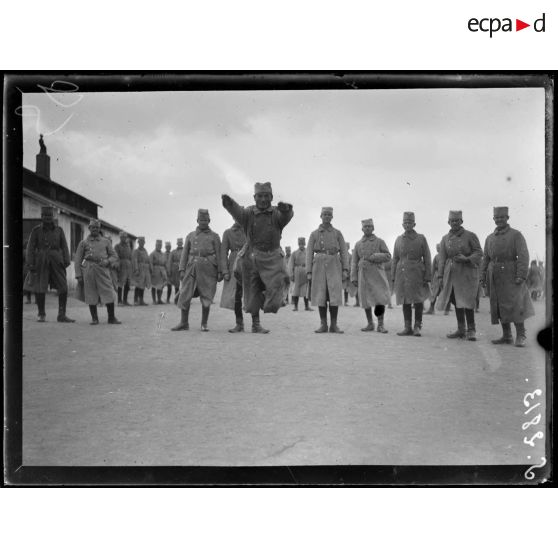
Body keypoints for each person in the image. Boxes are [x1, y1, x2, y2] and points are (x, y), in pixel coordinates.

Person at [221, 182, 293, 333]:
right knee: (252, 292)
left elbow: (285, 217)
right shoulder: (248, 214)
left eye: (266, 196)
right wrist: (229, 204)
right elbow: (237, 212)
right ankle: (255, 324)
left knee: (275, 293)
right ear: (254, 197)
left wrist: (286, 210)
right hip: (251, 258)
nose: (263, 199)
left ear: (271, 197)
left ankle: (270, 304)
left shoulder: (275, 213)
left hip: (273, 259)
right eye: (259, 196)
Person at [481, 207, 535, 347]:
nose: (499, 220)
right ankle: (507, 335)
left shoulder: (516, 235)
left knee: (515, 305)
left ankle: (521, 335)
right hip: (494, 275)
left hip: (511, 274)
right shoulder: (489, 238)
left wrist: (521, 275)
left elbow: (523, 256)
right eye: (496, 218)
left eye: (502, 217)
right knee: (499, 305)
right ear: (493, 219)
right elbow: (485, 259)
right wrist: (482, 277)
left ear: (507, 218)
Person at [172, 209, 223, 332]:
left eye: (206, 220)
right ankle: (184, 322)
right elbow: (184, 254)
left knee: (207, 295)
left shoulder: (214, 236)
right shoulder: (190, 235)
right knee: (185, 293)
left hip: (208, 269)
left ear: (209, 221)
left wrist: (220, 271)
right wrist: (182, 269)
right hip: (191, 267)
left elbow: (220, 254)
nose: (203, 222)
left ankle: (204, 324)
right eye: (201, 220)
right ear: (197, 220)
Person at [436, 210, 483, 341]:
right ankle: (461, 329)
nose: (454, 223)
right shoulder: (445, 239)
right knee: (456, 300)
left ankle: (472, 330)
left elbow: (479, 253)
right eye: (452, 221)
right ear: (448, 222)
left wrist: (467, 259)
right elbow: (442, 259)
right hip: (451, 275)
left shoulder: (470, 236)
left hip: (467, 273)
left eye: (457, 220)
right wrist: (440, 277)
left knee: (467, 300)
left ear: (461, 221)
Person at [25, 206, 75, 323]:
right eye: (45, 216)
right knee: (40, 287)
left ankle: (61, 315)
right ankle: (41, 314)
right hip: (41, 260)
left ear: (53, 217)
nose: (48, 218)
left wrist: (66, 261)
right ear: (41, 217)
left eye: (50, 216)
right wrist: (30, 263)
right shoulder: (36, 231)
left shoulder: (59, 230)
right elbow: (30, 248)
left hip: (57, 261)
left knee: (63, 287)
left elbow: (65, 246)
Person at [306, 207, 349, 333]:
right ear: (320, 216)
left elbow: (344, 252)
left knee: (334, 295)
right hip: (318, 266)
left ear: (332, 217)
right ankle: (323, 324)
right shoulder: (314, 234)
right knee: (321, 295)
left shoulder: (337, 233)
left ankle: (334, 325)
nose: (326, 216)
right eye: (324, 214)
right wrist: (308, 271)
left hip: (334, 265)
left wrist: (345, 269)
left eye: (329, 214)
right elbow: (309, 252)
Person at [391, 211, 431, 336]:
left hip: (417, 273)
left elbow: (427, 257)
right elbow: (395, 259)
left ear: (414, 224)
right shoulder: (398, 239)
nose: (407, 225)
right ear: (402, 224)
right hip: (402, 274)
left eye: (410, 222)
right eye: (405, 223)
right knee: (405, 300)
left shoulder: (421, 238)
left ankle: (417, 326)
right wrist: (393, 276)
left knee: (418, 300)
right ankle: (407, 326)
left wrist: (427, 275)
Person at [74, 219, 121, 325]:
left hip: (103, 270)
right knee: (91, 294)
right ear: (89, 228)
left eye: (97, 227)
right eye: (93, 227)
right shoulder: (83, 243)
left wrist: (107, 261)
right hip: (88, 271)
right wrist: (78, 275)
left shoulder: (106, 242)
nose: (95, 229)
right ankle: (94, 319)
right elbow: (78, 260)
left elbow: (114, 256)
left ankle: (111, 318)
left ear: (100, 229)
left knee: (108, 292)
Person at [351, 218, 391, 333]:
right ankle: (370, 324)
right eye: (365, 227)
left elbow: (388, 256)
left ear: (373, 228)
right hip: (363, 274)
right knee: (365, 299)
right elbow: (354, 262)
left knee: (379, 299)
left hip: (377, 274)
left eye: (369, 226)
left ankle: (380, 324)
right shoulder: (358, 244)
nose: (367, 228)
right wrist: (353, 277)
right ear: (362, 229)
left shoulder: (380, 241)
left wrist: (375, 257)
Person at [220, 220, 248, 331]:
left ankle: (256, 324)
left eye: (241, 216)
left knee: (253, 294)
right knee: (236, 296)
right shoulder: (227, 233)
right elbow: (223, 253)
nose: (239, 218)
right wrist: (225, 271)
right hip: (233, 265)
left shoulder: (249, 231)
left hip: (248, 263)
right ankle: (239, 324)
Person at [287, 237, 312, 312]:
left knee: (305, 291)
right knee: (296, 290)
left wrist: (310, 273)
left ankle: (307, 306)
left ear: (304, 244)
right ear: (298, 244)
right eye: (300, 244)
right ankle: (295, 306)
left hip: (305, 272)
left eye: (302, 244)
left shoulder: (308, 252)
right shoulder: (294, 253)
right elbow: (290, 264)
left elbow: (311, 263)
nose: (301, 245)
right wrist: (291, 274)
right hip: (297, 272)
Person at [114, 231, 132, 306]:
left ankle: (125, 300)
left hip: (128, 265)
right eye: (122, 237)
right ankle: (119, 301)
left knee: (127, 283)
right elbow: (115, 256)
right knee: (120, 283)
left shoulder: (128, 246)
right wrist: (118, 265)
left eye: (125, 237)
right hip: (121, 265)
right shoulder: (117, 246)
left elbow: (130, 256)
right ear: (120, 237)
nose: (124, 238)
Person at [132, 236, 152, 305]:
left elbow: (148, 260)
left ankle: (141, 300)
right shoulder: (136, 251)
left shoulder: (145, 251)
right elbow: (135, 260)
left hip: (145, 270)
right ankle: (135, 300)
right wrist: (136, 269)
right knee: (138, 285)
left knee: (143, 285)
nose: (142, 243)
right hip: (139, 269)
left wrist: (149, 268)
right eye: (140, 242)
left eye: (143, 242)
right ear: (138, 243)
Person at [150, 239, 168, 304]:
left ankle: (159, 299)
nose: (159, 246)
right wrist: (151, 271)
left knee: (161, 286)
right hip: (155, 270)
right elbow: (151, 263)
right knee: (154, 286)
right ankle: (154, 300)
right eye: (158, 245)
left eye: (160, 245)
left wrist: (166, 270)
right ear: (155, 245)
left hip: (162, 271)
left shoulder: (163, 254)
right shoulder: (152, 254)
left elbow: (165, 263)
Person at [168, 238, 184, 304]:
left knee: (185, 285)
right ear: (177, 243)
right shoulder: (173, 252)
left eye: (181, 242)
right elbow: (170, 261)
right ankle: (176, 299)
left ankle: (183, 299)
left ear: (182, 243)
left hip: (183, 269)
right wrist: (169, 270)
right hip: (175, 270)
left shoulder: (185, 251)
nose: (179, 243)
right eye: (178, 242)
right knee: (177, 285)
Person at [343, 242, 358, 306]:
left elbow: (352, 265)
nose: (346, 248)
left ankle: (358, 302)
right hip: (342, 275)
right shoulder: (340, 255)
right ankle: (345, 302)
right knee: (345, 289)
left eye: (347, 247)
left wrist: (349, 273)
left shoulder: (351, 256)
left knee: (353, 288)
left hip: (349, 275)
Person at [23, 240, 33, 304]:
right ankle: (37, 300)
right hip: (33, 270)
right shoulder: (34, 251)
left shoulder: (24, 252)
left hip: (26, 270)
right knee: (35, 284)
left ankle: (29, 299)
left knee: (27, 284)